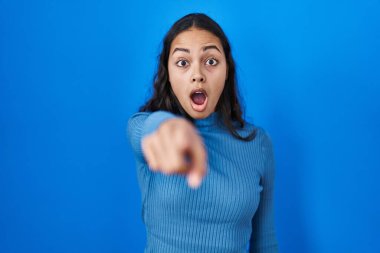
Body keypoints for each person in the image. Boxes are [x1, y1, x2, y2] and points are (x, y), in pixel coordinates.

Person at [127, 13, 278, 253]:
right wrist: (167, 127)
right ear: (168, 72)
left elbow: (265, 243)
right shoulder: (145, 129)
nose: (197, 74)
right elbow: (147, 129)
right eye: (183, 63)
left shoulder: (258, 144)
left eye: (211, 61)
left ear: (227, 69)